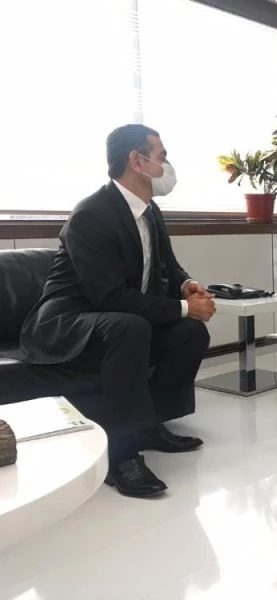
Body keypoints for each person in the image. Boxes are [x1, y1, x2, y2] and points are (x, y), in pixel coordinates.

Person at [20, 124, 216, 498]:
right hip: (69, 322)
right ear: (136, 161)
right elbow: (107, 297)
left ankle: (151, 425)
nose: (167, 166)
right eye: (161, 157)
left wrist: (185, 285)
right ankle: (121, 453)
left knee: (190, 332)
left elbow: (168, 265)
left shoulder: (150, 211)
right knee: (130, 327)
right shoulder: (91, 214)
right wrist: (184, 307)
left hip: (116, 319)